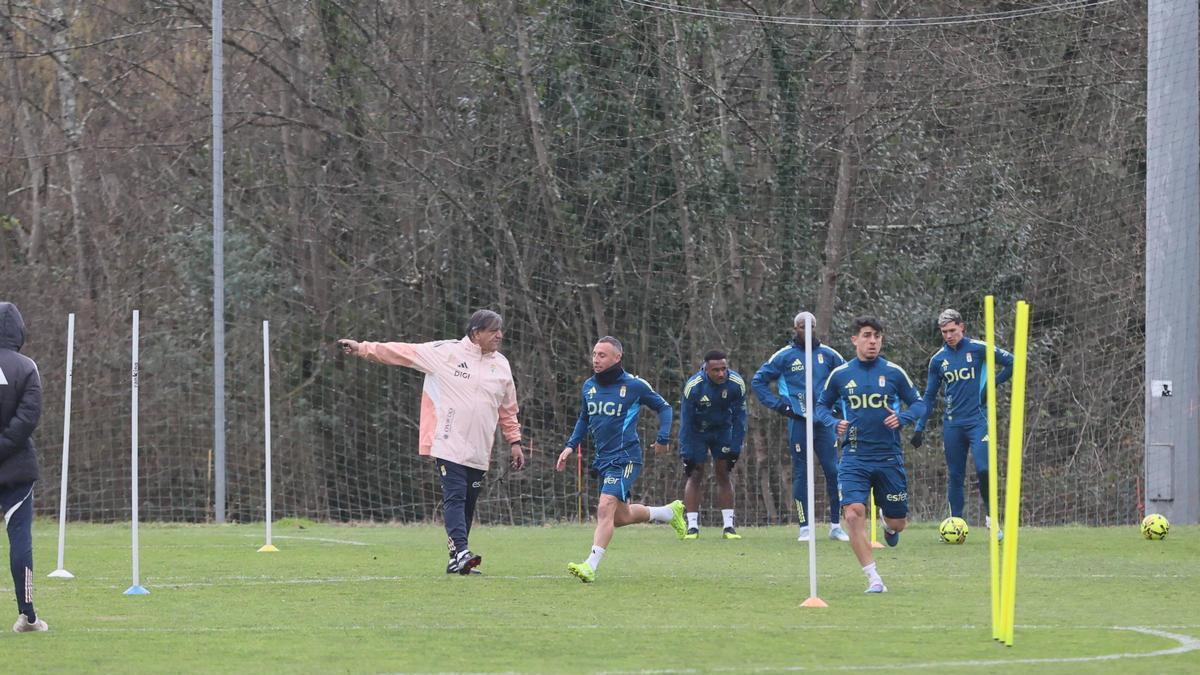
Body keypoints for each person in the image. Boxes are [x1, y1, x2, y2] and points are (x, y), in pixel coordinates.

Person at [338, 309, 526, 575]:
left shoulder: (502, 364)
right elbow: (402, 352)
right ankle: (462, 551)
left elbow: (508, 409)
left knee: (468, 502)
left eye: (500, 329)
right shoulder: (445, 353)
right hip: (447, 441)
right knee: (455, 497)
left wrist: (515, 441)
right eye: (493, 330)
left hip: (480, 447)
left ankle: (455, 558)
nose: (500, 335)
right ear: (475, 333)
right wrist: (362, 348)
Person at [556, 336, 685, 582]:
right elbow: (584, 419)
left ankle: (590, 566)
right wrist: (571, 446)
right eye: (594, 354)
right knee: (619, 517)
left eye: (602, 355)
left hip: (626, 458)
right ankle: (668, 513)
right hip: (603, 460)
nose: (596, 359)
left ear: (617, 357)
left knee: (605, 507)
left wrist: (663, 438)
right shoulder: (588, 387)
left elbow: (665, 408)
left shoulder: (634, 386)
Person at [815, 316, 925, 593]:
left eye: (877, 336)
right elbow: (820, 408)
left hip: (889, 457)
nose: (872, 341)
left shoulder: (894, 372)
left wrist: (903, 417)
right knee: (853, 514)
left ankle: (889, 527)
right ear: (855, 339)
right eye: (866, 335)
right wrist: (833, 423)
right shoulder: (840, 375)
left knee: (899, 522)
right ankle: (874, 578)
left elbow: (920, 405)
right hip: (854, 456)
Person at [911, 309, 1014, 537]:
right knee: (955, 474)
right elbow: (928, 397)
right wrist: (920, 427)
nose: (948, 335)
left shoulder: (978, 348)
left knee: (984, 468)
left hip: (978, 421)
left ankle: (992, 518)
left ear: (962, 326)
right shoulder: (938, 360)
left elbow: (1012, 363)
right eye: (944, 332)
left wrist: (991, 386)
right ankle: (956, 525)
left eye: (952, 330)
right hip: (952, 424)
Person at [751, 311, 848, 542]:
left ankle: (836, 525)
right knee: (802, 473)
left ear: (815, 328)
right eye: (801, 326)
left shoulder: (829, 355)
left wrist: (839, 412)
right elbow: (759, 381)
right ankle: (805, 527)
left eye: (810, 326)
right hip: (798, 422)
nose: (806, 330)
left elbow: (846, 380)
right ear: (795, 328)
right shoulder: (784, 356)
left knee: (834, 471)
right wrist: (780, 406)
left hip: (824, 423)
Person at [0, 302, 48, 632]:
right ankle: (28, 615)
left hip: (15, 467)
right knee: (20, 540)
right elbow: (28, 418)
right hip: (17, 469)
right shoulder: (27, 367)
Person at [678, 350, 747, 540]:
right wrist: (686, 451)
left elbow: (740, 418)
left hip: (723, 430)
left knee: (723, 473)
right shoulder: (694, 387)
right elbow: (686, 421)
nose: (721, 374)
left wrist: (736, 447)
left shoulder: (736, 384)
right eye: (716, 370)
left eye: (724, 369)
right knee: (695, 473)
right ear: (706, 369)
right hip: (698, 432)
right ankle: (692, 527)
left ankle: (729, 527)